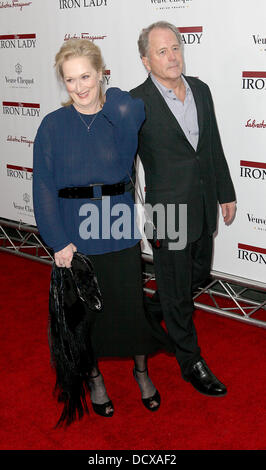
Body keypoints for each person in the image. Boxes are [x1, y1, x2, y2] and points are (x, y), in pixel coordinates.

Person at [33, 38, 161, 421]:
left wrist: (112, 92)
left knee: (130, 309)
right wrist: (58, 241)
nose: (79, 87)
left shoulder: (119, 115)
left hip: (119, 229)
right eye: (70, 80)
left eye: (86, 76)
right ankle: (94, 378)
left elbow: (134, 108)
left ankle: (141, 371)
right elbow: (43, 187)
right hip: (74, 236)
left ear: (101, 73)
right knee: (83, 317)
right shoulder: (52, 126)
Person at [130, 21, 236, 397]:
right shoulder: (134, 103)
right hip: (166, 213)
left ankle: (148, 316)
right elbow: (126, 164)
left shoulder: (201, 90)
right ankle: (190, 361)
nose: (172, 56)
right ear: (146, 60)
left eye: (175, 47)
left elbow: (212, 146)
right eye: (161, 51)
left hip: (204, 205)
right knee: (177, 293)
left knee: (194, 277)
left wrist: (226, 192)